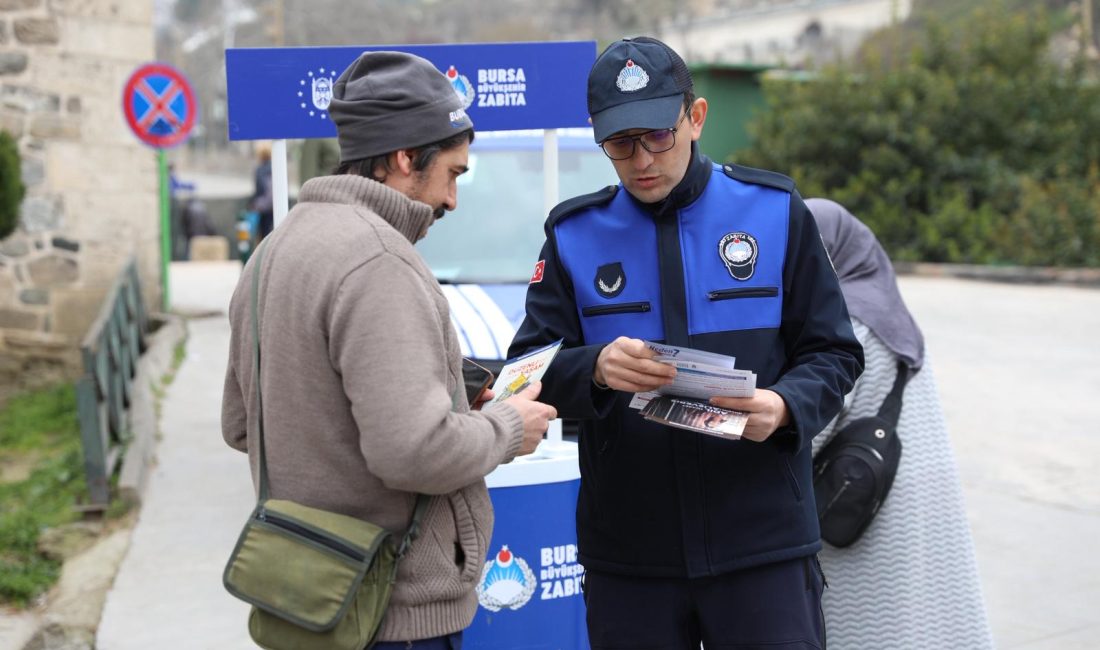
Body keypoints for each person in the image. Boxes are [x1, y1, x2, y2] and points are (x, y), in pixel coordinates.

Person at [508, 37, 864, 649]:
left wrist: (785, 407)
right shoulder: (572, 235)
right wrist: (595, 367)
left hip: (764, 548)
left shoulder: (775, 212)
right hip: (630, 560)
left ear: (695, 118)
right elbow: (526, 373)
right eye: (620, 144)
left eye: (658, 135)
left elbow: (835, 352)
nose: (642, 159)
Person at [221, 51, 558, 649]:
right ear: (404, 158)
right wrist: (507, 427)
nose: (453, 199)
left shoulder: (274, 250)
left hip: (307, 597)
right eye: (452, 173)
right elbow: (413, 452)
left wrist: (437, 401)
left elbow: (244, 423)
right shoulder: (378, 260)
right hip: (393, 614)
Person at [806, 197, 996, 649]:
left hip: (861, 495)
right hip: (907, 482)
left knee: (878, 619)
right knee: (926, 612)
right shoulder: (883, 306)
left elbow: (811, 427)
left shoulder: (848, 323)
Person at [248, 141, 275, 240]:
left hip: (263, 207)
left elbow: (259, 189)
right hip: (273, 205)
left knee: (263, 235)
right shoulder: (276, 167)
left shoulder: (260, 169)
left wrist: (253, 204)